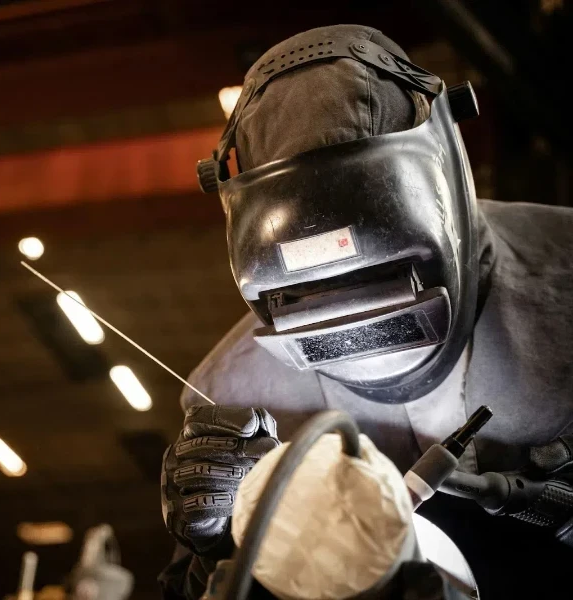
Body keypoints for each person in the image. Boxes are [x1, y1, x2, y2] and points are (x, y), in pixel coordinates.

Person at [159, 24, 573, 600]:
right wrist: (213, 549)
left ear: (440, 174)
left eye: (379, 275)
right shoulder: (233, 398)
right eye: (309, 293)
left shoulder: (564, 281)